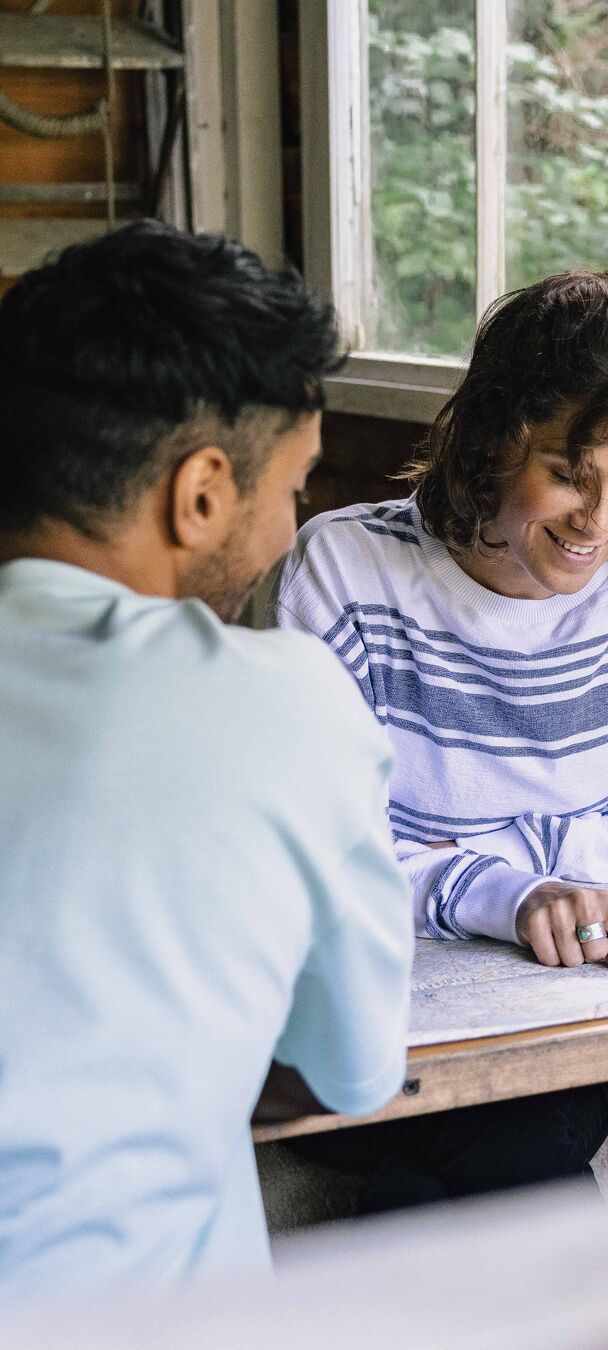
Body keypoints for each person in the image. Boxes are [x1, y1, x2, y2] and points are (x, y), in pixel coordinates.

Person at [269, 270, 608, 1207]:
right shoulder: (343, 573)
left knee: (526, 1118)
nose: (602, 522)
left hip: (574, 993)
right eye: (568, 476)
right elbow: (317, 855)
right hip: (383, 990)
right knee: (515, 1136)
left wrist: (533, 879)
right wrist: (504, 893)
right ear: (493, 439)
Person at [0, 222, 414, 1305]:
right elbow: (355, 1065)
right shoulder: (283, 706)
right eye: (294, 487)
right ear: (200, 493)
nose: (294, 526)